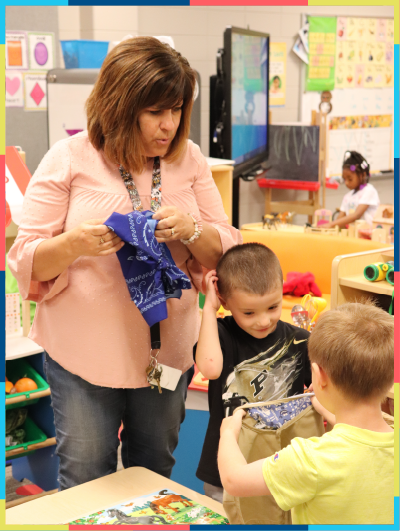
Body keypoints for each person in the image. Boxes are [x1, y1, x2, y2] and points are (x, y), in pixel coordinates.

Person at [8, 36, 242, 490]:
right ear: (120, 105)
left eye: (177, 110)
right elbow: (25, 257)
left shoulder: (189, 159)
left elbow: (227, 253)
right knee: (85, 476)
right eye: (156, 112)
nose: (169, 125)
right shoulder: (68, 158)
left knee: (154, 477)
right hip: (82, 355)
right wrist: (74, 244)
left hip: (166, 353)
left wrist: (192, 230)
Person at [218, 303, 394, 525]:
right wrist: (327, 411)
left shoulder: (310, 460)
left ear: (318, 376)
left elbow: (234, 480)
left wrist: (228, 432)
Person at [194, 243, 311, 503]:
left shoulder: (301, 341)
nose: (263, 321)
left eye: (272, 307)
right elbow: (210, 368)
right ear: (224, 301)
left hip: (280, 470)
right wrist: (210, 309)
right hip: (226, 471)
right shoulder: (221, 334)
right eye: (249, 312)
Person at [325, 150, 380, 228]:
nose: (346, 183)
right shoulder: (347, 197)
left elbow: (356, 215)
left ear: (362, 175)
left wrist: (331, 224)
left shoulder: (369, 191)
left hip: (369, 236)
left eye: (350, 179)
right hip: (353, 235)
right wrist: (331, 226)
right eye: (344, 179)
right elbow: (339, 220)